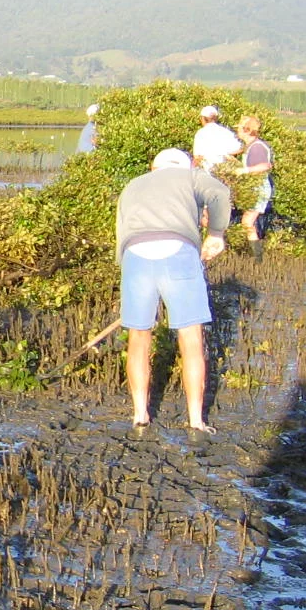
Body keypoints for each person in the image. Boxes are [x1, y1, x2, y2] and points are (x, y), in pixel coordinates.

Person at [115, 147, 230, 435]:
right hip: (179, 251)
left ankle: (140, 414)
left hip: (134, 255)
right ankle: (195, 421)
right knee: (191, 337)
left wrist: (129, 271)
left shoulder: (133, 184)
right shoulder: (191, 176)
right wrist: (216, 234)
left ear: (154, 168)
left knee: (138, 336)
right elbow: (220, 195)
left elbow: (121, 230)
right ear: (186, 165)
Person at [235, 115, 274, 261]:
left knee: (247, 223)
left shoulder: (257, 147)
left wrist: (244, 171)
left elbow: (265, 166)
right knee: (247, 222)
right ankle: (256, 257)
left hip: (258, 189)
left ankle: (258, 258)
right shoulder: (251, 146)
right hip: (254, 189)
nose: (237, 130)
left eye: (239, 128)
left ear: (247, 130)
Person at [191, 105, 241, 171]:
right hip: (223, 171)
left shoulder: (200, 133)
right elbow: (241, 147)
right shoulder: (226, 132)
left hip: (206, 172)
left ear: (203, 118)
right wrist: (226, 154)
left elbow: (197, 157)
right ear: (216, 118)